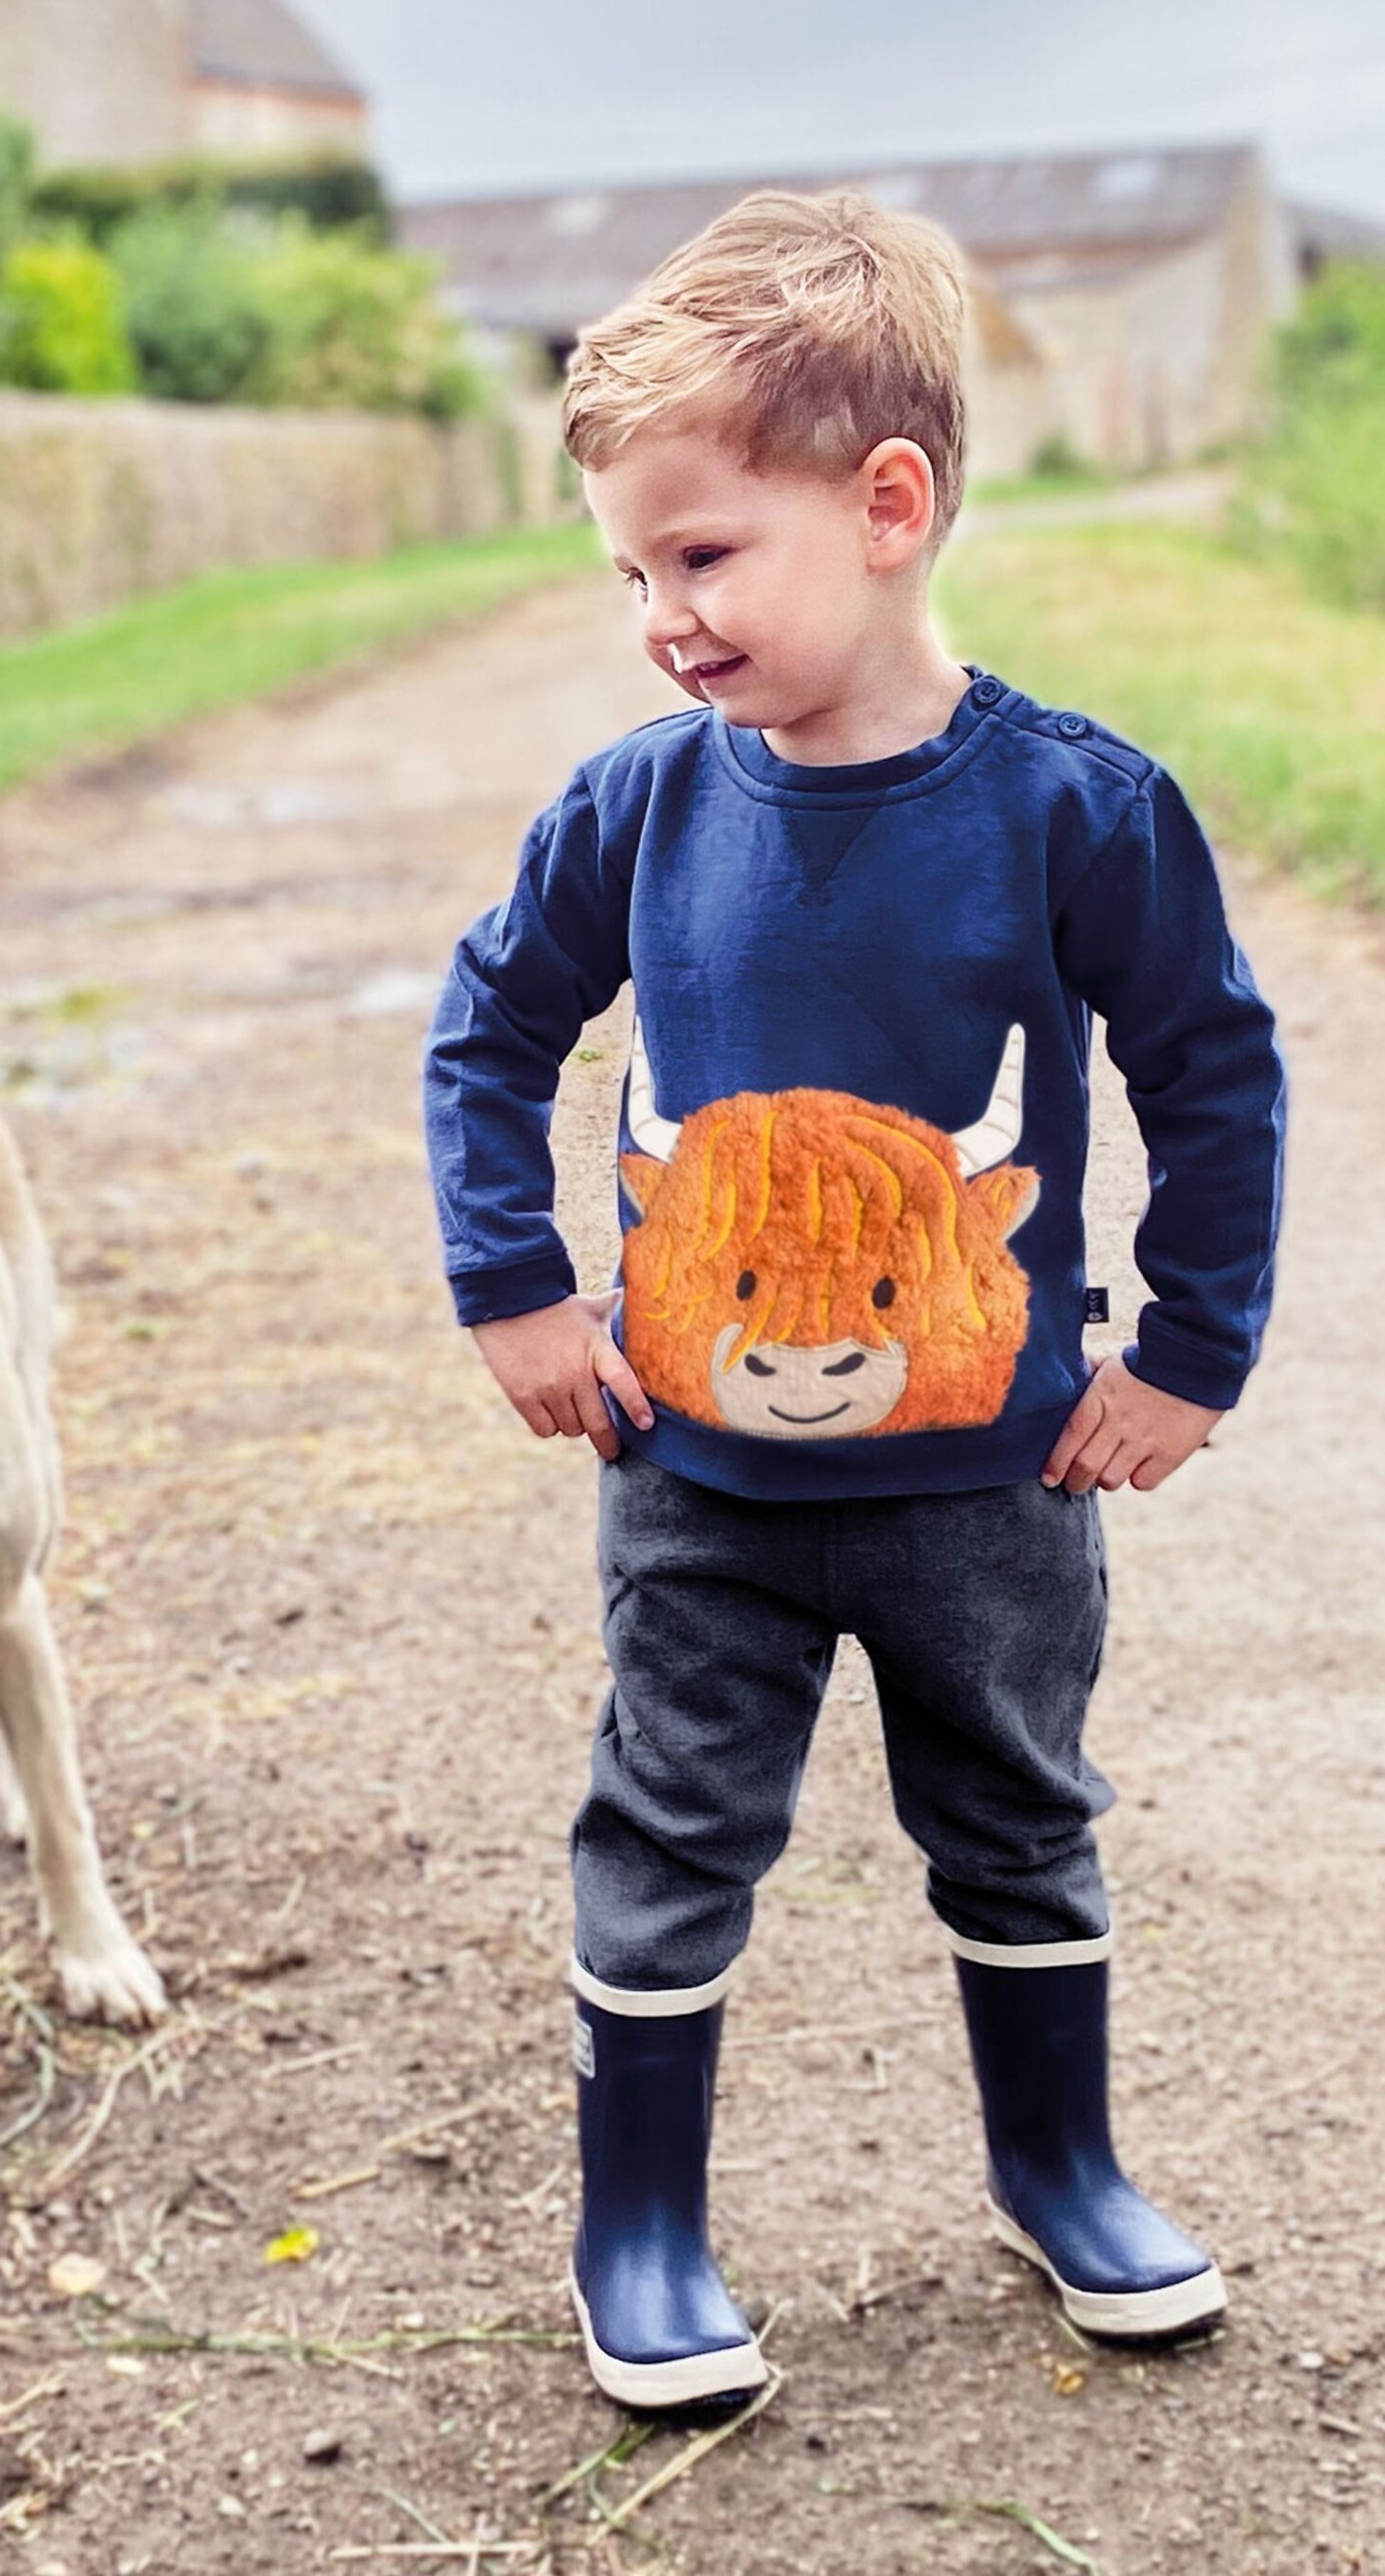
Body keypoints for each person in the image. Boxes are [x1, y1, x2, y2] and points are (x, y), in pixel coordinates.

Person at [421, 188, 1286, 2412]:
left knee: (1018, 1809)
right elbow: (490, 1030)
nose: (659, 619)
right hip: (693, 1477)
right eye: (630, 570)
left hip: (991, 1483)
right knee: (671, 1827)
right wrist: (516, 1289)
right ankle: (642, 2223)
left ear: (888, 505)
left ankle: (1062, 2166)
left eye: (703, 558)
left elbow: (1212, 1067)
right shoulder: (631, 811)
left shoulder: (1080, 811)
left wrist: (1192, 1344)